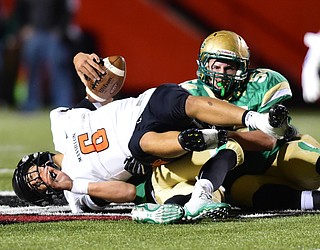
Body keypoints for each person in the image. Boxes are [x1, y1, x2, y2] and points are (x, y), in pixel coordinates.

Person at [12, 53, 289, 221]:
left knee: (188, 103)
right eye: (37, 185)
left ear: (36, 159)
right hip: (142, 144)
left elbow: (97, 93)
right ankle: (199, 140)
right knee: (144, 143)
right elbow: (127, 192)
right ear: (47, 195)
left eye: (32, 174)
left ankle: (255, 119)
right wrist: (75, 184)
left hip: (142, 104)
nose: (41, 177)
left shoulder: (60, 122)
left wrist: (79, 59)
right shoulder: (76, 195)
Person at [132, 30, 320, 223]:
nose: (221, 74)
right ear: (204, 65)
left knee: (300, 156)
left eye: (228, 67)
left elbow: (267, 141)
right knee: (243, 191)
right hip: (230, 176)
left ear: (243, 68)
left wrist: (221, 135)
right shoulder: (188, 94)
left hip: (273, 160)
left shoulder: (262, 83)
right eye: (216, 66)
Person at [17, 0, 76, 110]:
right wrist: (23, 27)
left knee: (59, 69)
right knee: (31, 71)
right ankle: (31, 103)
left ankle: (63, 104)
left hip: (53, 34)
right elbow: (19, 11)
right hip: (33, 34)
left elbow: (66, 12)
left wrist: (60, 30)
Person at [301, 31, 320, 103]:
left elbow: (307, 37)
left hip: (311, 69)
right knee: (311, 96)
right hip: (310, 69)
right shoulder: (317, 40)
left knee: (311, 95)